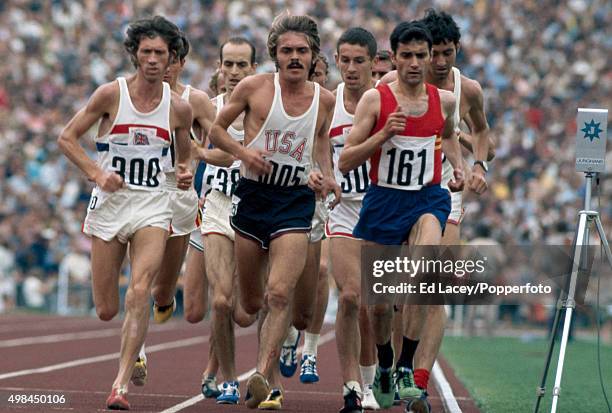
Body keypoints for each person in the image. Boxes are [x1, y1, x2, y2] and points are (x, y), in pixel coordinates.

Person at [57, 16, 193, 410]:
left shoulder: (178, 108)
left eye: (160, 54)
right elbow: (67, 138)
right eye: (146, 52)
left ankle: (120, 385)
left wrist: (183, 174)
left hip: (152, 204)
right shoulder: (110, 95)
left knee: (140, 291)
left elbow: (185, 154)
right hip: (111, 206)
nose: (152, 60)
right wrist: (97, 172)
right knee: (106, 309)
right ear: (134, 54)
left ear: (171, 60)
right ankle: (134, 345)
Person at [209, 13, 339, 410]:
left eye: (302, 51)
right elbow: (215, 131)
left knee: (279, 294)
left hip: (294, 202)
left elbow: (321, 147)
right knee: (248, 306)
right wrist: (244, 152)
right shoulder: (253, 88)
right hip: (253, 196)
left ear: (314, 55)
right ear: (275, 55)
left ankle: (264, 375)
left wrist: (325, 177)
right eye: (287, 51)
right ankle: (262, 360)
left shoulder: (324, 100)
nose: (295, 57)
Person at [339, 21, 468, 412]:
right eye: (407, 56)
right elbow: (345, 159)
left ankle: (407, 367)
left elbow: (447, 136)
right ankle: (383, 364)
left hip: (427, 199)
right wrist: (382, 136)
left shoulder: (443, 100)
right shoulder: (376, 101)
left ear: (430, 58)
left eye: (421, 56)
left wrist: (458, 167)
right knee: (378, 306)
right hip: (383, 201)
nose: (415, 63)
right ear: (393, 57)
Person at [379, 10, 492, 402]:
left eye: (448, 53)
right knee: (396, 292)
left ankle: (419, 379)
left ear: (456, 49)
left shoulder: (469, 89)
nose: (440, 63)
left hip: (445, 187)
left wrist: (478, 164)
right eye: (434, 55)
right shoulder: (396, 83)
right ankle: (394, 367)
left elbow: (483, 134)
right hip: (399, 189)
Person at [132, 31, 217, 387]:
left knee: (163, 288)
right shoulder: (133, 96)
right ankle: (137, 353)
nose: (162, 66)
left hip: (180, 195)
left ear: (179, 63)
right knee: (140, 278)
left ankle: (164, 299)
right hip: (143, 193)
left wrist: (197, 152)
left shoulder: (194, 101)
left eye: (169, 60)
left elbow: (223, 149)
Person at [201, 36, 259, 405]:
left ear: (254, 68)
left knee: (245, 312)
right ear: (219, 68)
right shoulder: (205, 108)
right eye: (229, 65)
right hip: (218, 207)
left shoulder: (267, 108)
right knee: (219, 302)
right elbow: (188, 151)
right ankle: (228, 380)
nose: (235, 72)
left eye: (242, 65)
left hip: (256, 209)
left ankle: (218, 368)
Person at [327, 27, 378, 413]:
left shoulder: (387, 102)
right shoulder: (327, 105)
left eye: (359, 61)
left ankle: (377, 375)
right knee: (350, 297)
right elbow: (314, 147)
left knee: (379, 306)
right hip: (343, 210)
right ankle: (351, 388)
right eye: (344, 60)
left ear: (373, 63)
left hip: (384, 210)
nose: (351, 68)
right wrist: (319, 173)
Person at [278, 51, 332, 386]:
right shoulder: (287, 104)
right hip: (288, 198)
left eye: (321, 73)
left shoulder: (333, 105)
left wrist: (328, 177)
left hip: (326, 200)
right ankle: (286, 339)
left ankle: (310, 351)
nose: (316, 78)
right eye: (312, 73)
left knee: (322, 271)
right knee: (284, 282)